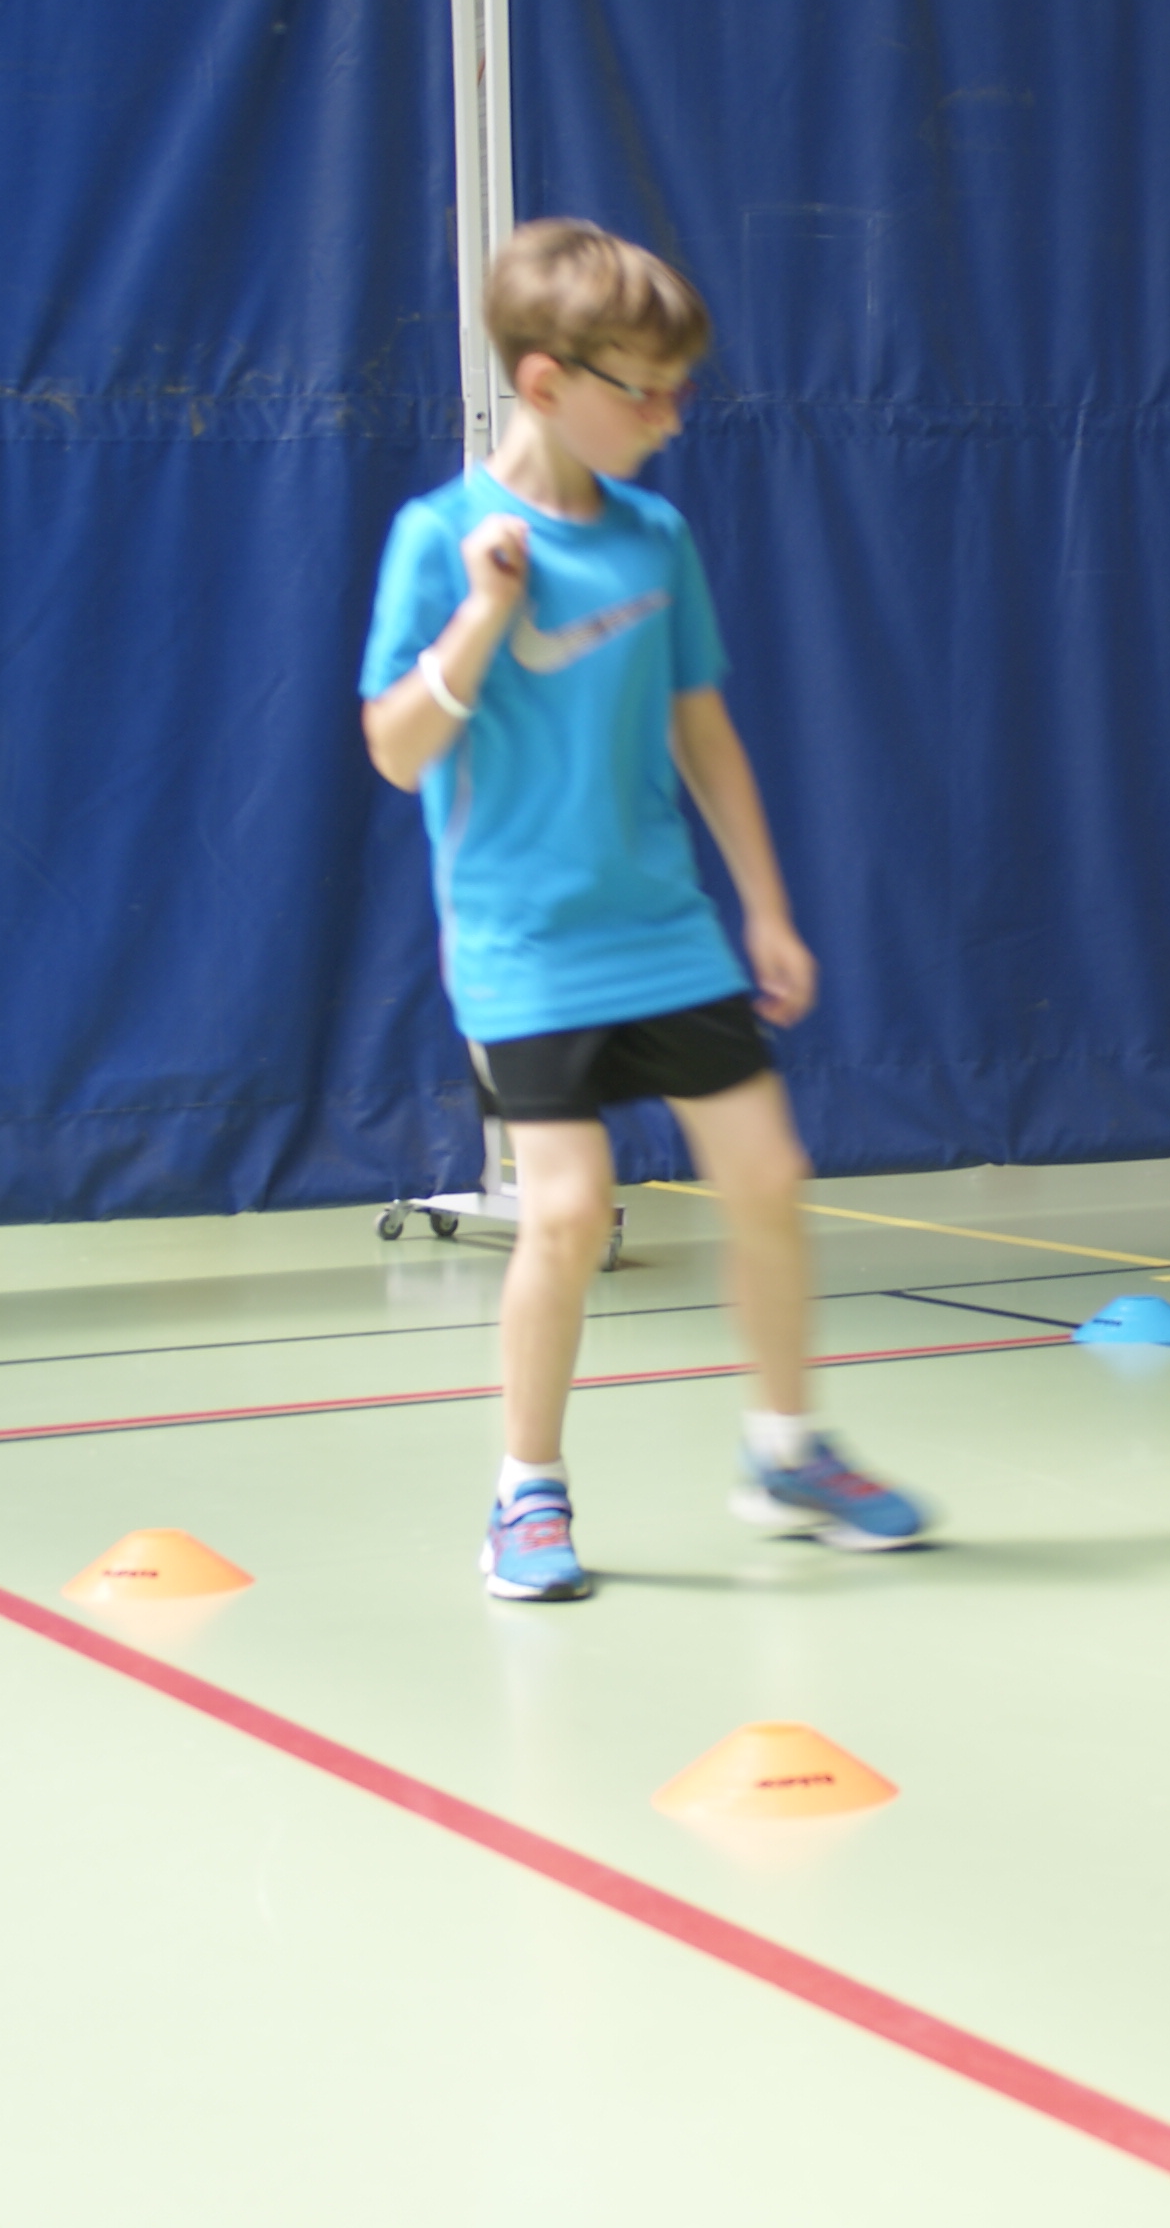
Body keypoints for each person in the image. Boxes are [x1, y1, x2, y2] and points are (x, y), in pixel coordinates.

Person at [358, 219, 925, 1601]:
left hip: (663, 930)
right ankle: (526, 1490)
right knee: (566, 1211)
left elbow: (702, 730)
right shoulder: (437, 539)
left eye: (680, 388)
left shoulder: (656, 537)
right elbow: (394, 750)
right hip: (522, 945)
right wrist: (483, 618)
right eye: (646, 390)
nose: (672, 418)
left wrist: (767, 910)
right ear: (546, 383)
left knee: (766, 1176)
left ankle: (785, 1454)